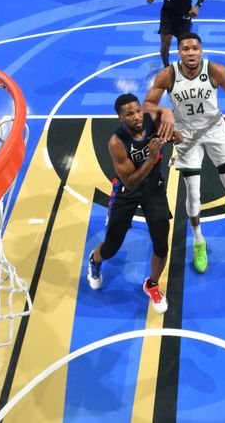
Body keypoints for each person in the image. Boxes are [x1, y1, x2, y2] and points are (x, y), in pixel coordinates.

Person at [143, 32, 225, 274]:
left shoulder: (214, 70)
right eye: (185, 48)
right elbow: (147, 105)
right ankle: (199, 241)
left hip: (215, 129)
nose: (190, 52)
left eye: (195, 48)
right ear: (179, 52)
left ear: (201, 51)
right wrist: (164, 112)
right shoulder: (167, 75)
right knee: (193, 193)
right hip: (185, 136)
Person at [85, 93, 180, 314]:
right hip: (128, 191)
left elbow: (168, 122)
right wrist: (152, 156)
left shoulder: (152, 121)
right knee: (111, 247)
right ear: (120, 117)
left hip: (154, 190)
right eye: (129, 114)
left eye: (138, 110)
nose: (137, 116)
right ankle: (95, 260)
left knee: (161, 244)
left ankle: (152, 285)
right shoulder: (116, 143)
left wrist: (176, 136)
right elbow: (131, 181)